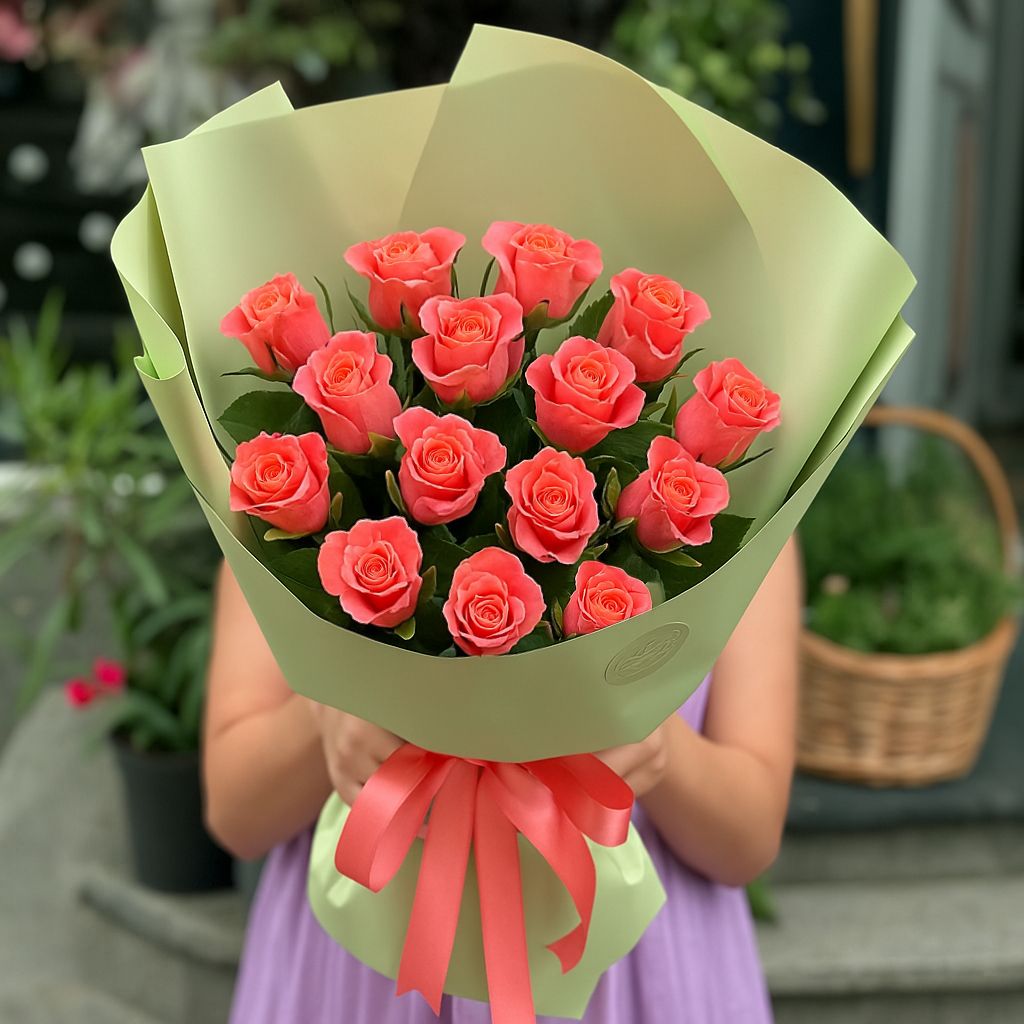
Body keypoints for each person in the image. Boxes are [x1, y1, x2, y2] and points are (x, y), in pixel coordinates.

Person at [207, 538, 801, 1024]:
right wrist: (325, 710)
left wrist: (660, 746)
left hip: (633, 972)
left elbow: (749, 841)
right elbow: (236, 815)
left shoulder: (746, 525)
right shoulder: (284, 490)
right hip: (360, 962)